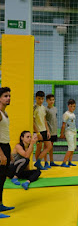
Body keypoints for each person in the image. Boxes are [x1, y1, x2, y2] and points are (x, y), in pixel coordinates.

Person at [0, 87, 15, 218]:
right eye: (5, 96)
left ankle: (0, 204)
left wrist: (8, 152)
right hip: (0, 148)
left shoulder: (6, 114)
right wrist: (1, 153)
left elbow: (5, 133)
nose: (8, 98)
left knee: (2, 178)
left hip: (5, 146)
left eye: (9, 96)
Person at [33, 91, 53, 170]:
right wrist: (37, 133)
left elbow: (44, 120)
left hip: (44, 130)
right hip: (38, 131)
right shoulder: (34, 107)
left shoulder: (43, 108)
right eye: (39, 99)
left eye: (42, 99)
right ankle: (39, 164)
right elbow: (32, 121)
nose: (41, 100)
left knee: (49, 146)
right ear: (36, 98)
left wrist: (48, 131)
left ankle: (38, 162)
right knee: (39, 147)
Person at [59, 99, 78, 167]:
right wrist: (62, 134)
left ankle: (70, 161)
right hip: (69, 132)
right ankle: (64, 162)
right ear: (68, 106)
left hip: (74, 132)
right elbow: (63, 125)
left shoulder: (73, 114)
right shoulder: (66, 114)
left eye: (74, 106)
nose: (73, 108)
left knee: (73, 147)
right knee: (70, 148)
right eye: (71, 106)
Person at [45, 94, 59, 167]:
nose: (52, 101)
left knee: (51, 147)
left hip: (54, 131)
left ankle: (51, 161)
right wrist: (47, 130)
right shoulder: (46, 109)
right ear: (47, 100)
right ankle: (45, 162)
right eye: (50, 100)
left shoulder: (55, 109)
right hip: (48, 131)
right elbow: (45, 121)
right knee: (46, 147)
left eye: (53, 100)